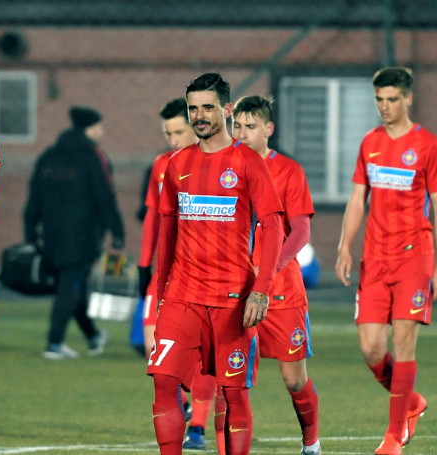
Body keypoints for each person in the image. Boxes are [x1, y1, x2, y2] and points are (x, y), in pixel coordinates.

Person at [147, 71, 283, 455]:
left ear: (226, 109)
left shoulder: (248, 162)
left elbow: (273, 226)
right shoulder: (177, 164)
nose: (199, 115)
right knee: (163, 380)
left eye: (207, 107)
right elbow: (166, 233)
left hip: (232, 299)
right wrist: (160, 293)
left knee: (233, 393)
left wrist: (261, 291)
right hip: (183, 296)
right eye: (193, 108)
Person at [334, 67, 437, 455]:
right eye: (379, 100)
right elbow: (357, 199)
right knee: (370, 348)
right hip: (375, 259)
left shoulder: (429, 145)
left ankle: (393, 437)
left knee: (403, 345)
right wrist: (344, 246)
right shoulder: (369, 143)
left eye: (391, 100)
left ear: (408, 99)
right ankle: (412, 402)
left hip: (415, 257)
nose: (384, 107)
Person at [232, 95, 321, 455]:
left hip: (280, 290)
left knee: (294, 379)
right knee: (232, 379)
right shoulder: (224, 168)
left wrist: (267, 271)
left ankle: (311, 443)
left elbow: (300, 231)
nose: (242, 133)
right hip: (233, 290)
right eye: (236, 126)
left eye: (250, 126)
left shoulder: (289, 171)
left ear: (268, 129)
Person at [137, 98, 218, 450]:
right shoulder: (161, 166)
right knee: (155, 351)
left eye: (178, 132)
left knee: (205, 354)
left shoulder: (218, 165)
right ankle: (183, 408)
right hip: (166, 273)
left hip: (208, 278)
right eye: (167, 133)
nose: (172, 140)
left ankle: (198, 426)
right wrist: (144, 265)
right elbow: (154, 219)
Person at [24, 105, 125, 360]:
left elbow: (34, 197)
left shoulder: (49, 155)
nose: (102, 132)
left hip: (51, 236)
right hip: (83, 236)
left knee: (69, 286)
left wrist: (30, 234)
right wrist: (117, 231)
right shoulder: (93, 156)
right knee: (69, 288)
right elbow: (105, 196)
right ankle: (54, 344)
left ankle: (93, 336)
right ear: (89, 129)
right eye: (100, 127)